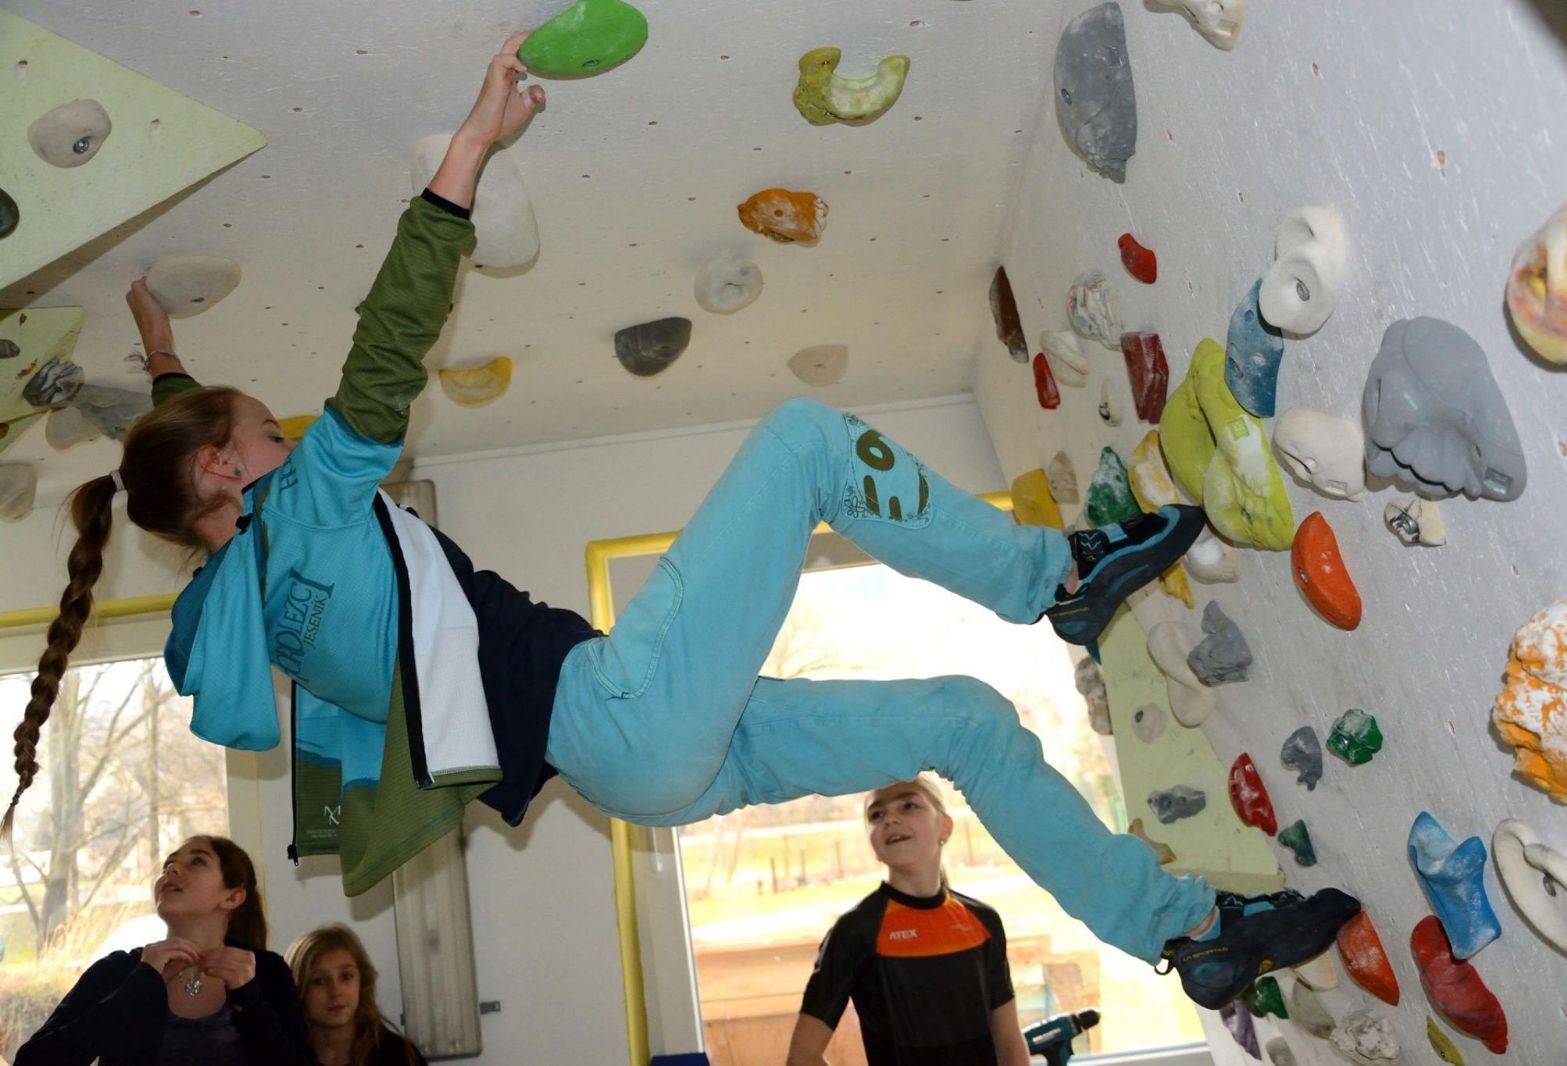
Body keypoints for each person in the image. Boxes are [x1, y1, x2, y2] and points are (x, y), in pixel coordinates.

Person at [3, 34, 1357, 1010]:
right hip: (612, 711)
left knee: (964, 721)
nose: (288, 438)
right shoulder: (307, 506)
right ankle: (1052, 577)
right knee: (805, 440)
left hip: (637, 769)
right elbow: (387, 343)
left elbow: (193, 475)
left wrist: (163, 353)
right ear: (233, 474)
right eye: (262, 433)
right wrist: (470, 146)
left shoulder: (243, 604)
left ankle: (1183, 928)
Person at [787, 777, 1030, 1065]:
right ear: (873, 844)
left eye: (908, 806)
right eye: (877, 814)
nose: (890, 819)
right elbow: (802, 1057)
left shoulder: (983, 922)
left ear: (945, 826)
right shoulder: (855, 932)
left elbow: (1009, 1042)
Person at [15, 835, 314, 1064]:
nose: (172, 869)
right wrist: (141, 985)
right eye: (168, 865)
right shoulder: (119, 971)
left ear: (233, 897)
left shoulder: (266, 972)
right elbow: (34, 1061)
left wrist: (250, 998)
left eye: (196, 862)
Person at [285, 925, 425, 1066]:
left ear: (362, 982)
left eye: (346, 977)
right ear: (298, 989)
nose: (335, 992)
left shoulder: (397, 1055)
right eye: (319, 981)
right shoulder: (282, 1055)